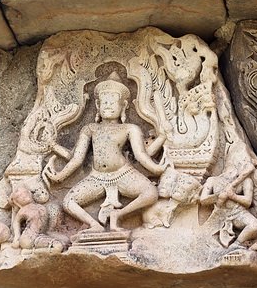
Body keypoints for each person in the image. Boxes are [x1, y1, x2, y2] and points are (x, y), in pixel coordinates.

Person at [42, 73, 166, 232]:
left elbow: (141, 155)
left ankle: (118, 215)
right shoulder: (90, 129)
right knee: (68, 202)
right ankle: (93, 224)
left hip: (123, 173)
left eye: (113, 102)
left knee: (151, 193)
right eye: (105, 102)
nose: (108, 106)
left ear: (123, 106)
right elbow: (76, 158)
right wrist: (59, 174)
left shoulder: (129, 128)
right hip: (97, 177)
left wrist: (157, 169)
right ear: (98, 105)